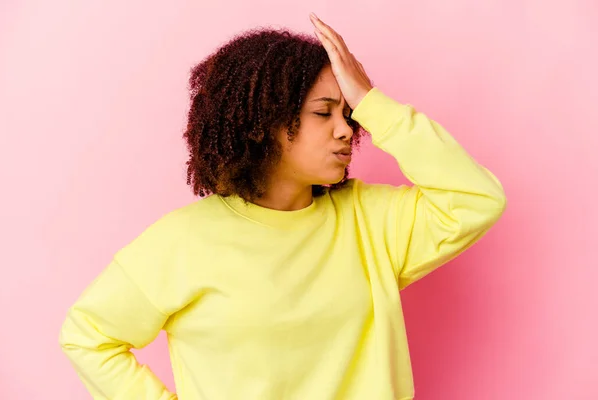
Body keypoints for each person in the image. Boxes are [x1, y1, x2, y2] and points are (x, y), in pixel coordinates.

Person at [59, 13, 506, 400]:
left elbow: (477, 199)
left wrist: (373, 103)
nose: (347, 130)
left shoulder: (373, 222)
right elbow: (88, 336)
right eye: (323, 112)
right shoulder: (182, 242)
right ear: (265, 122)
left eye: (348, 114)